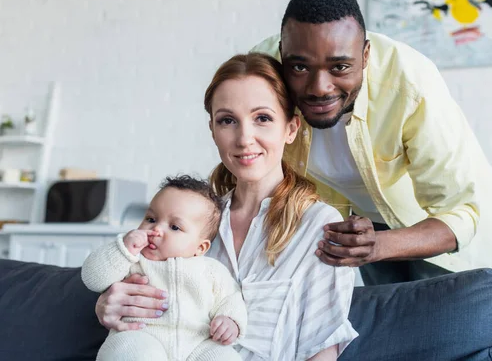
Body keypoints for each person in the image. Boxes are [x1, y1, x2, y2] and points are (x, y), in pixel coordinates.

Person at [94, 53, 357, 360]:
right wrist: (107, 303)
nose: (245, 139)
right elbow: (136, 279)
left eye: (263, 118)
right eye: (228, 120)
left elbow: (322, 348)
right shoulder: (189, 221)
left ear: (291, 128)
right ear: (213, 130)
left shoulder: (320, 226)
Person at [250, 0, 492, 285]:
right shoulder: (262, 77)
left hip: (438, 229)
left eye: (340, 67)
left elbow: (460, 212)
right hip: (362, 227)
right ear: (282, 55)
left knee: (441, 325)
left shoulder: (410, 85)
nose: (319, 87)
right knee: (390, 325)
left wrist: (378, 246)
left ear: (366, 55)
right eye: (300, 67)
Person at [82, 175, 247, 361]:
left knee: (224, 357)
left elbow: (231, 298)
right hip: (141, 335)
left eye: (174, 227)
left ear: (200, 248)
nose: (156, 230)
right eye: (151, 219)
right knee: (132, 352)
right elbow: (92, 277)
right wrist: (122, 249)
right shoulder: (132, 260)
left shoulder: (211, 271)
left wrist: (231, 321)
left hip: (198, 343)